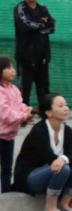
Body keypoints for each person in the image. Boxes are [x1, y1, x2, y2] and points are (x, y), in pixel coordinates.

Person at [13, 92, 72, 211]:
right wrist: (62, 161)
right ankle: (50, 208)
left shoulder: (67, 130)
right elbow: (48, 157)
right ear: (48, 113)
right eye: (60, 105)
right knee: (63, 168)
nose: (66, 108)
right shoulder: (39, 130)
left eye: (66, 105)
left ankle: (65, 205)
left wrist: (63, 158)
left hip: (53, 171)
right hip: (31, 177)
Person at [13, 0, 55, 104]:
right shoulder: (19, 8)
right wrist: (43, 24)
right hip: (26, 58)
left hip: (42, 58)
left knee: (44, 90)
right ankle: (22, 118)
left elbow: (52, 26)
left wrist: (40, 26)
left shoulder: (43, 8)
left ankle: (44, 116)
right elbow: (25, 26)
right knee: (24, 90)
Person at [0, 54, 33, 191]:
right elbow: (5, 113)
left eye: (13, 67)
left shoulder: (14, 89)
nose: (13, 70)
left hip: (9, 136)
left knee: (7, 167)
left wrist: (28, 111)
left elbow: (20, 105)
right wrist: (23, 116)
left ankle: (6, 194)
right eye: (8, 67)